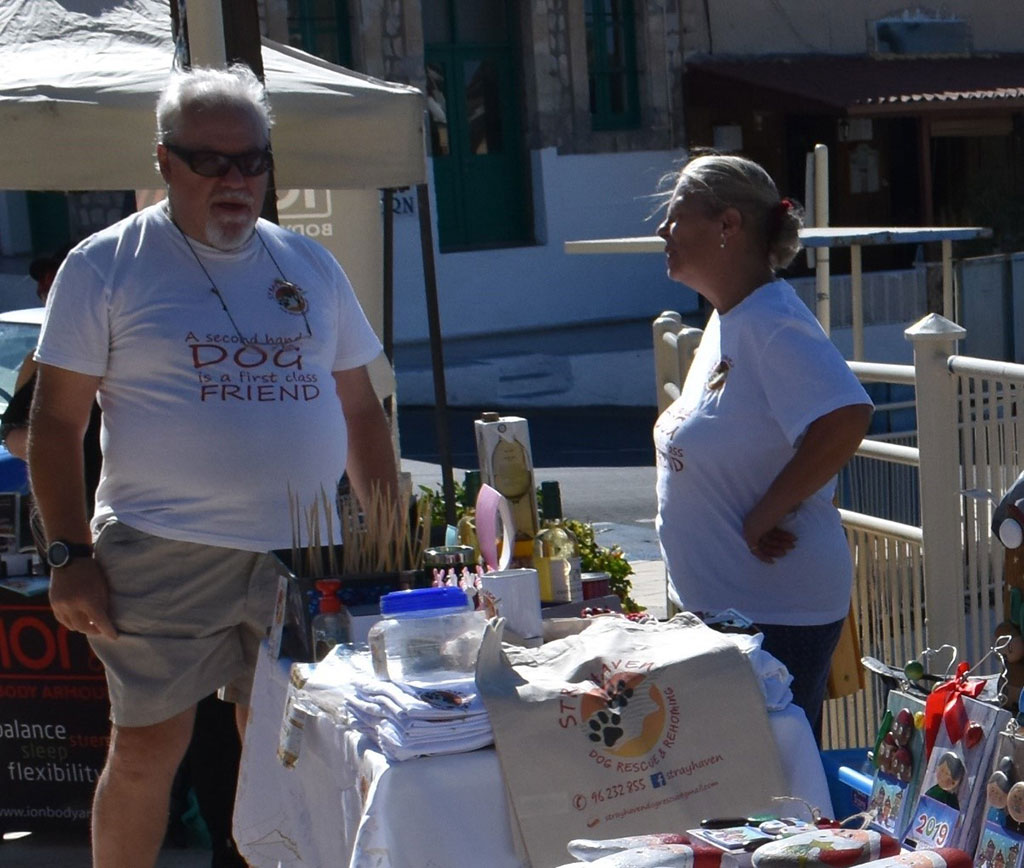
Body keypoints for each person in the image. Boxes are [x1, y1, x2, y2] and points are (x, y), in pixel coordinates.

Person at [28, 63, 397, 867]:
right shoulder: (105, 264)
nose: (236, 181)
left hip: (302, 552)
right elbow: (54, 425)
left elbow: (363, 412)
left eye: (252, 162)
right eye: (211, 162)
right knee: (148, 748)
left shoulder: (309, 264)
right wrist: (67, 557)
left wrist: (389, 543)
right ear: (165, 163)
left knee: (290, 751)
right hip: (161, 547)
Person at [652, 152, 873, 738]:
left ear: (728, 225)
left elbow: (846, 417)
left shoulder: (773, 322)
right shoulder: (732, 318)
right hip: (737, 612)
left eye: (676, 216)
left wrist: (761, 518)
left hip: (775, 616)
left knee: (772, 800)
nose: (662, 231)